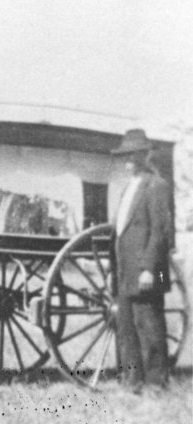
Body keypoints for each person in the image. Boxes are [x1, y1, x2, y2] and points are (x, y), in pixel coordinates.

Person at [111, 128, 173, 393]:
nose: (126, 160)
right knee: (126, 328)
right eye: (124, 155)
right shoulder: (128, 188)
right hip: (125, 270)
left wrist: (149, 269)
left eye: (131, 155)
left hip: (148, 271)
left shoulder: (156, 185)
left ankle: (157, 383)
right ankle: (132, 382)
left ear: (142, 155)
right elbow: (120, 232)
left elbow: (160, 231)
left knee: (149, 325)